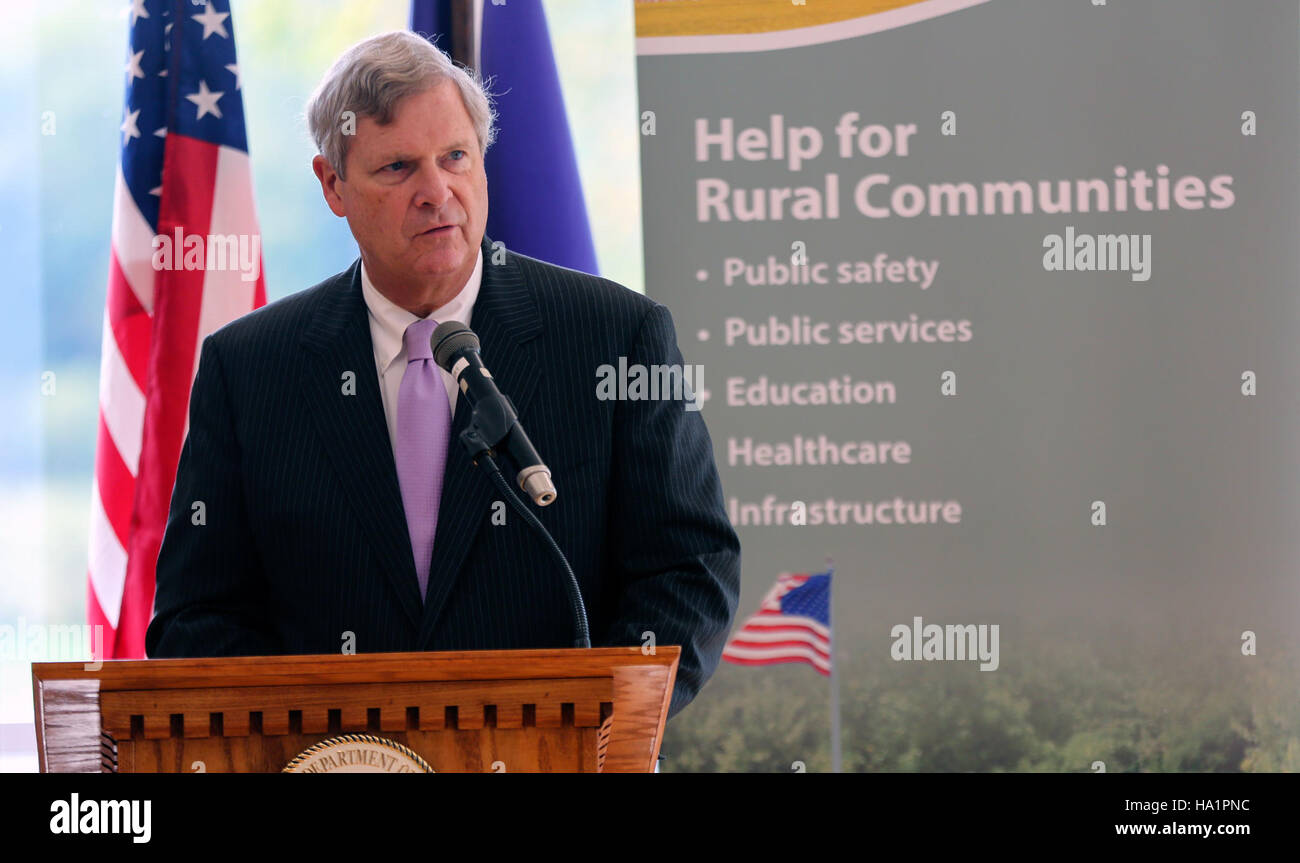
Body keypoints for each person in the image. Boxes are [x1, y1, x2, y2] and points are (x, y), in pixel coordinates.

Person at [144, 31, 740, 720]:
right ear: (332, 184)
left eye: (455, 157)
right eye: (397, 168)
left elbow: (689, 570)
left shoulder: (617, 335)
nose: (437, 192)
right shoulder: (248, 370)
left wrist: (591, 725)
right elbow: (199, 616)